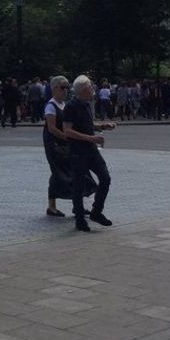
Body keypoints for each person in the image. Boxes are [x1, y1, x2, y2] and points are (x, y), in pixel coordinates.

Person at [63, 74, 116, 232]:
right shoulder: (70, 107)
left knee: (105, 178)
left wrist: (101, 126)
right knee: (78, 186)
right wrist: (91, 138)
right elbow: (67, 131)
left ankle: (96, 212)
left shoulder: (86, 104)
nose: (93, 90)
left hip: (91, 150)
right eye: (90, 88)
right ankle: (80, 220)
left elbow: (87, 124)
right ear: (83, 90)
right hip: (78, 151)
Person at [43, 76, 71, 217]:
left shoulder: (64, 104)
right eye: (62, 87)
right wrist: (67, 137)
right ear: (54, 89)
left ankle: (77, 203)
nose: (66, 90)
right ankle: (51, 206)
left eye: (67, 87)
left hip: (64, 144)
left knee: (71, 172)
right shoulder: (51, 106)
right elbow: (52, 128)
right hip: (54, 145)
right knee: (58, 173)